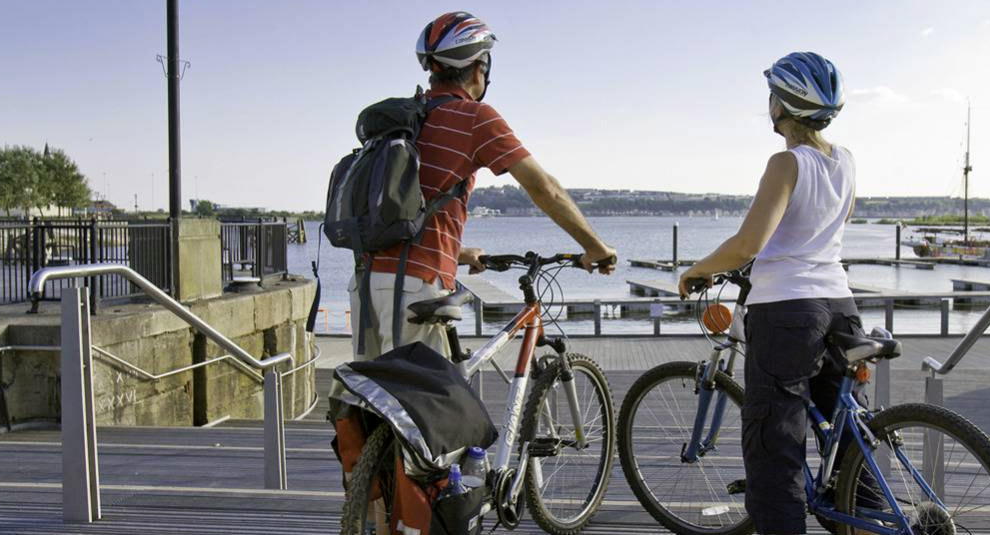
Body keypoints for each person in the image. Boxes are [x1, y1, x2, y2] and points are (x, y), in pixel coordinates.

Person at [349, 11, 618, 363]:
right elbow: (544, 188)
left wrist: (458, 253)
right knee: (425, 397)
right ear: (480, 67)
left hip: (366, 281)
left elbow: (403, 210)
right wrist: (595, 247)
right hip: (414, 287)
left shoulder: (406, 120)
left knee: (372, 392)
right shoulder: (475, 117)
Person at [678, 51, 856, 535]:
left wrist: (698, 269)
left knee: (775, 452)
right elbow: (829, 226)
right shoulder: (845, 161)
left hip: (787, 315)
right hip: (841, 308)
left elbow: (747, 245)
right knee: (847, 450)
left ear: (782, 104)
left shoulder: (786, 162)